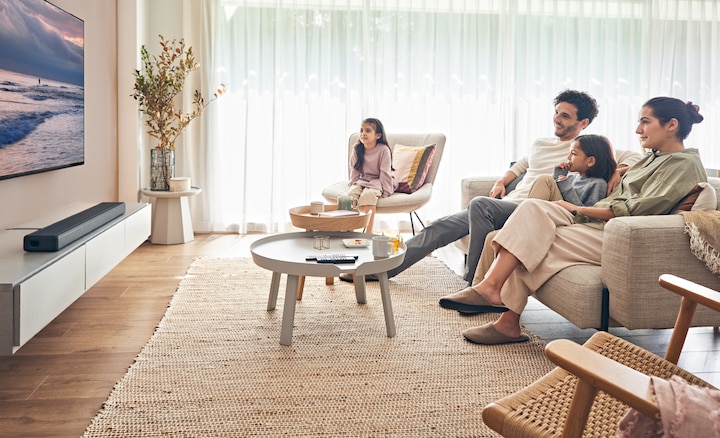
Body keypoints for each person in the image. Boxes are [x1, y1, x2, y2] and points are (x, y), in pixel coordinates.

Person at [447, 96, 707, 345]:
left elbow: (633, 210)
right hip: (598, 222)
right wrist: (620, 171)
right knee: (532, 208)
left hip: (617, 233)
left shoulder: (684, 165)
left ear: (671, 125)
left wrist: (574, 207)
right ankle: (492, 292)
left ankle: (503, 315)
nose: (638, 129)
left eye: (645, 122)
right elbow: (634, 179)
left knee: (530, 240)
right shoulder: (655, 158)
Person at [340, 90, 639, 284]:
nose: (557, 119)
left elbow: (629, 159)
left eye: (565, 115)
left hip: (532, 212)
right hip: (508, 204)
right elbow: (519, 167)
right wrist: (500, 182)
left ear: (583, 122)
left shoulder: (583, 149)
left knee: (479, 205)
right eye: (557, 112)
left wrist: (621, 170)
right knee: (439, 226)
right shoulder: (541, 143)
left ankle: (475, 284)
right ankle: (383, 270)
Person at [448, 134, 618, 302]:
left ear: (590, 161)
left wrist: (562, 181)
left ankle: (520, 224)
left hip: (571, 222)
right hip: (554, 212)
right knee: (492, 237)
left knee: (545, 180)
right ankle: (476, 289)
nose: (568, 158)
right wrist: (561, 178)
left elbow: (583, 212)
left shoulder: (598, 184)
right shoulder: (573, 178)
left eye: (573, 154)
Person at [346, 118, 397, 233]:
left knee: (368, 195)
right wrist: (353, 184)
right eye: (361, 130)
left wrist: (386, 190)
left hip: (379, 180)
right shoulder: (357, 148)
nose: (363, 133)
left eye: (368, 131)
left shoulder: (383, 150)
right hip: (363, 180)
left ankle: (368, 233)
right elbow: (354, 169)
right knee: (350, 195)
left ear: (378, 135)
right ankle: (350, 230)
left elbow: (385, 172)